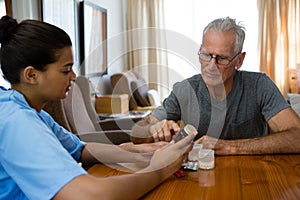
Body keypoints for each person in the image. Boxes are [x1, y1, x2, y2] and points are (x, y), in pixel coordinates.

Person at [0, 15, 196, 199]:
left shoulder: (33, 113)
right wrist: (159, 169)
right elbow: (92, 196)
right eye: (66, 70)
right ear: (31, 75)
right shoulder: (16, 120)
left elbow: (81, 149)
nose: (74, 77)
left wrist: (144, 152)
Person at [131, 17, 300, 155]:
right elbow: (136, 134)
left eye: (222, 58)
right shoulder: (184, 90)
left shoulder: (260, 85)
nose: (211, 66)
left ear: (239, 60)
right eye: (206, 55)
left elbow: (297, 137)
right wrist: (153, 128)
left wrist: (228, 147)